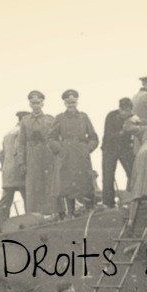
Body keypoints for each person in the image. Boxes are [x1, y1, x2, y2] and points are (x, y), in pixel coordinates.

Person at [49, 89, 99, 218]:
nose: (71, 105)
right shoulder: (59, 118)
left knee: (86, 182)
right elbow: (51, 138)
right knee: (67, 183)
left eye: (73, 102)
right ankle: (70, 213)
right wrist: (60, 150)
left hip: (82, 154)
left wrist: (87, 149)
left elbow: (93, 136)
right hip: (67, 155)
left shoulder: (84, 116)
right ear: (65, 103)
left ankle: (90, 210)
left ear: (77, 102)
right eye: (68, 102)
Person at [21, 90, 57, 216]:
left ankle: (51, 214)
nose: (36, 105)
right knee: (33, 186)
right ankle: (33, 216)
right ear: (30, 104)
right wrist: (22, 163)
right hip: (32, 158)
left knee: (49, 184)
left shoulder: (50, 119)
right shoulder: (25, 121)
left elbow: (56, 139)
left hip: (48, 157)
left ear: (42, 103)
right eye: (33, 103)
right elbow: (21, 143)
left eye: (38, 102)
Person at [0, 111, 28, 229]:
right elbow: (20, 151)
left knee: (5, 201)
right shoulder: (21, 133)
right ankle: (32, 224)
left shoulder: (7, 134)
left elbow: (1, 156)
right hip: (20, 171)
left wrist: (5, 168)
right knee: (29, 197)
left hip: (7, 173)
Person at [100, 98, 135, 208]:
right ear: (120, 109)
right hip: (109, 148)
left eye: (129, 110)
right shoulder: (111, 116)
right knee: (108, 175)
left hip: (124, 148)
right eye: (124, 110)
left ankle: (136, 197)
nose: (127, 113)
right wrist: (123, 132)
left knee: (133, 172)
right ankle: (108, 202)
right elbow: (109, 135)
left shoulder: (132, 117)